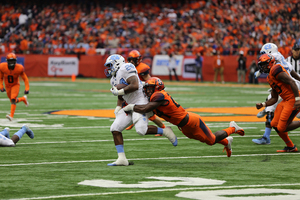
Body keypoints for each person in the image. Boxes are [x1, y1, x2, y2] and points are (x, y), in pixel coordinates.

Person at [123, 77, 246, 157]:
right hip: (183, 126)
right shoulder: (154, 98)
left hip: (192, 121)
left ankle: (232, 128)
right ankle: (226, 142)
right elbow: (148, 113)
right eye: (147, 89)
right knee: (207, 140)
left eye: (149, 88)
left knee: (212, 139)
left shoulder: (159, 95)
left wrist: (131, 107)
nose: (147, 91)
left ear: (156, 88)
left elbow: (144, 109)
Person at [104, 54, 178, 166]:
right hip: (128, 104)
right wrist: (118, 106)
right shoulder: (113, 79)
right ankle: (122, 159)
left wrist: (119, 92)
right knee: (115, 128)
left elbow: (134, 85)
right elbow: (121, 96)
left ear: (117, 63)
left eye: (110, 65)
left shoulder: (126, 67)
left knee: (141, 131)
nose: (108, 69)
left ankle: (165, 131)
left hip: (141, 101)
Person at [253, 43, 300, 144]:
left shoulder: (275, 65)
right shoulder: (270, 76)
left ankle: (266, 136)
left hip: (293, 92)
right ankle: (290, 146)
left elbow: (291, 80)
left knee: (282, 126)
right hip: (286, 95)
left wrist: (297, 99)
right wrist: (263, 104)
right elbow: (274, 97)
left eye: (263, 64)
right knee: (274, 122)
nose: (262, 67)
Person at [126, 50, 165, 131]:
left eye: (133, 59)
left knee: (150, 116)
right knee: (127, 105)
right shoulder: (128, 67)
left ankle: (163, 128)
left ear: (138, 59)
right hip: (135, 91)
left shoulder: (142, 68)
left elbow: (149, 82)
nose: (131, 61)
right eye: (130, 59)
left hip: (143, 92)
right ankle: (133, 121)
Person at [0, 53, 29, 121]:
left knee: (13, 99)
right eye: (10, 61)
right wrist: (1, 86)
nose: (11, 62)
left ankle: (11, 116)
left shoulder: (19, 68)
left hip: (15, 85)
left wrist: (27, 88)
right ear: (7, 61)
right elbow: (0, 78)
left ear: (15, 61)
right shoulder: (2, 67)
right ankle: (23, 99)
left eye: (13, 61)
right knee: (13, 100)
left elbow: (25, 78)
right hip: (7, 86)